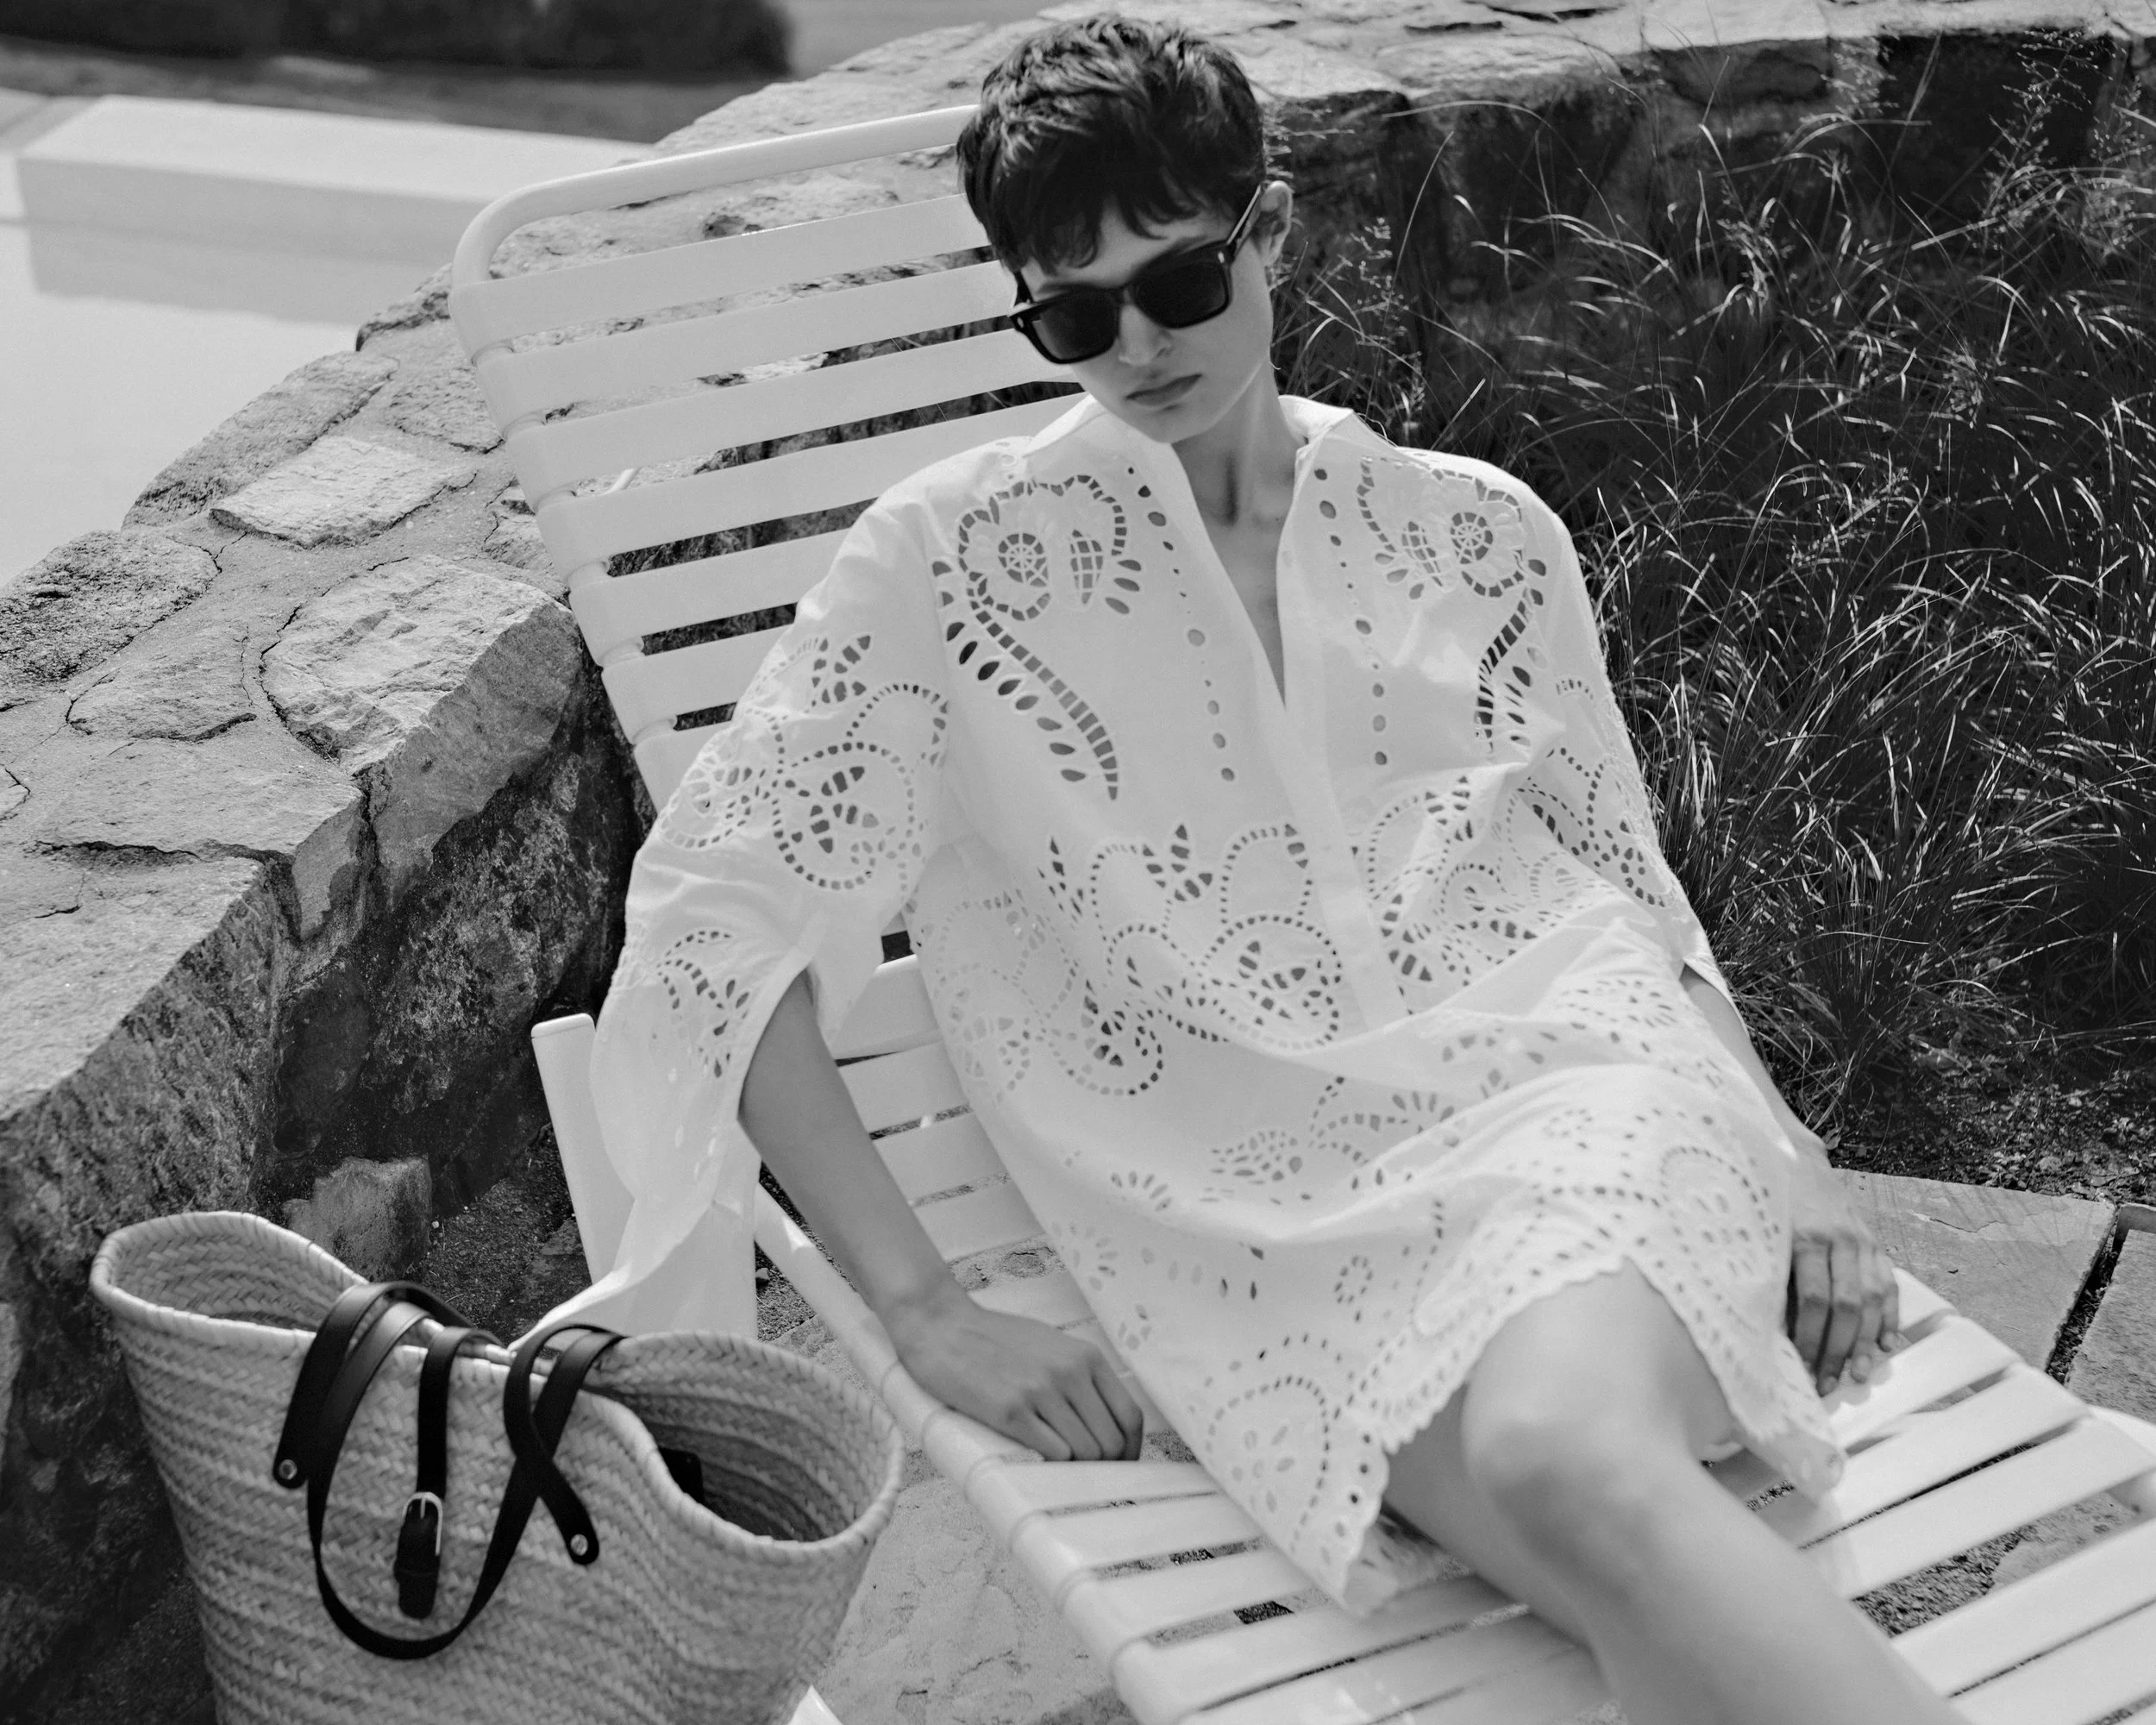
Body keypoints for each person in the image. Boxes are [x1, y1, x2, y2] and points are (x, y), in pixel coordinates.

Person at [575, 16, 1962, 1723]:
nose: (1134, 346)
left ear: (1273, 230)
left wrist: (1790, 1153)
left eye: (1175, 283)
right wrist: (923, 1307)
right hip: (1260, 1240)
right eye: (1069, 318)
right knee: (1588, 1534)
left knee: (1560, 1467)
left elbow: (1626, 899)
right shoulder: (943, 570)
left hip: (1590, 1112)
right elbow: (719, 922)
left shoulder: (1471, 532)